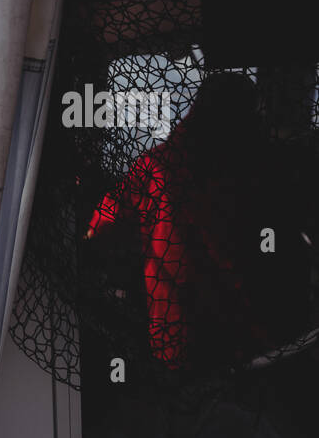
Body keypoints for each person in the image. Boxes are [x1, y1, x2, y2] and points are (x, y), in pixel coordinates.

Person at [84, 72, 308, 371]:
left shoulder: (156, 165)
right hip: (251, 334)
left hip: (177, 335)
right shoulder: (262, 172)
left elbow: (99, 227)